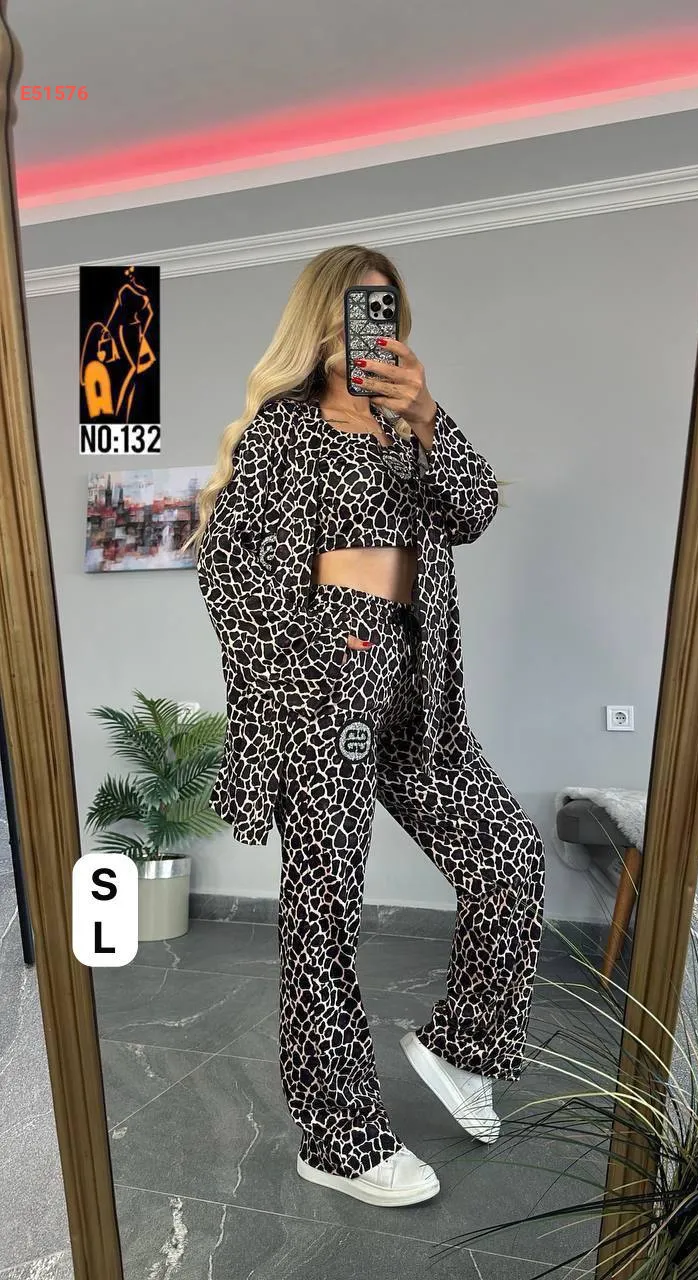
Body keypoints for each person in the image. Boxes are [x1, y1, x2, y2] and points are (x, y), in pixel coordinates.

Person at [187, 244, 545, 1209]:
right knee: (326, 913)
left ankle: (461, 1044)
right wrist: (313, 657)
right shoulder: (283, 428)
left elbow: (472, 511)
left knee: (509, 856)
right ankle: (337, 1136)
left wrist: (429, 418)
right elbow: (229, 568)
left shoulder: (403, 426)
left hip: (418, 692)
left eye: (386, 309)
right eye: (355, 307)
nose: (372, 325)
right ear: (321, 320)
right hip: (325, 695)